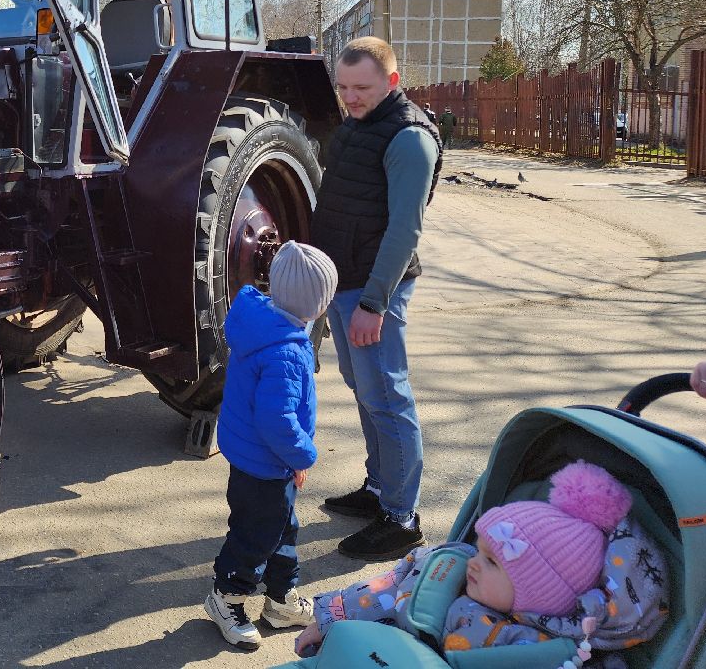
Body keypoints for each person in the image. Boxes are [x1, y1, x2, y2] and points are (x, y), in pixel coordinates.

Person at [293, 461, 666, 658]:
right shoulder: (446, 573)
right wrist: (329, 621)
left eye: (492, 562)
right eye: (483, 551)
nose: (475, 561)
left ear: (538, 592)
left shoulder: (554, 652)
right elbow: (382, 591)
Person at [309, 36, 442, 561]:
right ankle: (378, 489)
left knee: (387, 396)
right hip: (344, 283)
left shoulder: (410, 139)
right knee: (364, 389)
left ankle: (402, 517)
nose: (350, 98)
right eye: (343, 88)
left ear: (391, 81)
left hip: (372, 289)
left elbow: (404, 230)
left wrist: (374, 303)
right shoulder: (357, 125)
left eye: (361, 88)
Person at [203, 241, 339, 651]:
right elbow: (276, 420)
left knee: (282, 528)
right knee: (255, 537)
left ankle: (280, 599)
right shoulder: (285, 352)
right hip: (267, 462)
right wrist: (303, 455)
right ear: (315, 303)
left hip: (256, 459)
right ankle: (226, 597)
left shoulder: (262, 326)